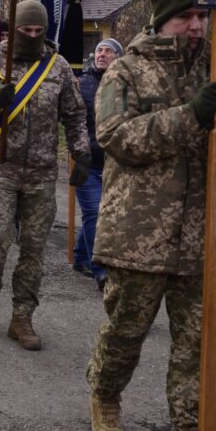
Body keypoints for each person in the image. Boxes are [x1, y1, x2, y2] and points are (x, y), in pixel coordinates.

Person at [87, 0, 216, 431]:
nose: (197, 26)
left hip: (203, 236)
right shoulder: (126, 72)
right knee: (126, 332)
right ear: (163, 23)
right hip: (139, 234)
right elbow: (117, 138)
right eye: (186, 17)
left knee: (198, 349)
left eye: (203, 17)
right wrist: (191, 116)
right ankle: (104, 394)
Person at [0, 0, 90, 350]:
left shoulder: (59, 67)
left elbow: (75, 115)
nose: (33, 36)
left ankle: (22, 317)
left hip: (42, 173)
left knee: (33, 251)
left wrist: (81, 153)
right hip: (1, 169)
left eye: (38, 31)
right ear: (13, 29)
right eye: (26, 30)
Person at [72, 38, 123, 289]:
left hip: (115, 163)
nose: (102, 54)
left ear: (118, 57)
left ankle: (81, 256)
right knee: (95, 212)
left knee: (101, 213)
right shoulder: (81, 84)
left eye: (108, 51)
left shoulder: (124, 83)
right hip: (87, 161)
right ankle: (101, 269)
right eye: (99, 50)